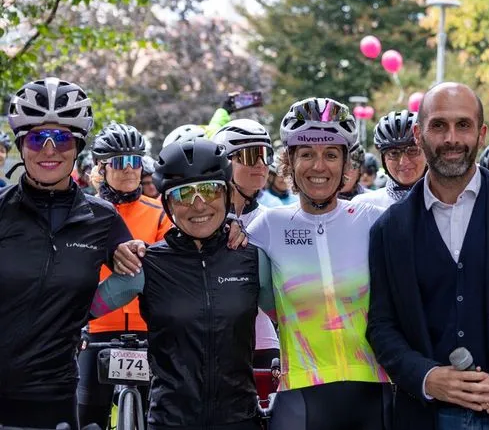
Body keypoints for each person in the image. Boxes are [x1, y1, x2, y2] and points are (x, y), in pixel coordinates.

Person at [367, 82, 489, 430]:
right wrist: (427, 377)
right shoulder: (389, 228)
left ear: (482, 133)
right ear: (419, 133)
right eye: (438, 125)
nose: (451, 138)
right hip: (424, 418)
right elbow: (382, 326)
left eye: (463, 125)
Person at [90, 138, 272, 430]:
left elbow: (296, 320)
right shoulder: (149, 264)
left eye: (210, 190)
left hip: (240, 419)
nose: (198, 204)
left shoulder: (251, 259)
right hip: (170, 421)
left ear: (226, 194)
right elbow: (75, 311)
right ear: (168, 203)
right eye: (183, 194)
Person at [246, 97, 391, 430]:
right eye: (307, 154)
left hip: (374, 388)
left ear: (345, 164)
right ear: (290, 161)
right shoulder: (268, 226)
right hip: (300, 393)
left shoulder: (372, 219)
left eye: (330, 155)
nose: (319, 166)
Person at [0, 77, 133, 429]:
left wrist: (79, 314)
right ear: (21, 145)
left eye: (61, 138)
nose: (49, 149)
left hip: (56, 395)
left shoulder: (102, 218)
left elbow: (135, 281)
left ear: (77, 146)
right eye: (36, 138)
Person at [79, 122, 172, 427]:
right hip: (97, 330)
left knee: (153, 416)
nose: (131, 170)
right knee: (88, 416)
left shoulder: (159, 211)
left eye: (136, 161)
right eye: (120, 162)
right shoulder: (84, 212)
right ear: (101, 167)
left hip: (148, 331)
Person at [356, 111, 489, 208]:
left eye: (412, 151)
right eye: (393, 154)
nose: (403, 162)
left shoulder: (459, 193)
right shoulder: (364, 206)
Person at [212, 119, 280, 367]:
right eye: (251, 155)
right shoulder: (199, 219)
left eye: (265, 155)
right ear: (226, 163)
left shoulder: (271, 218)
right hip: (212, 341)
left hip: (263, 339)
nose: (261, 165)